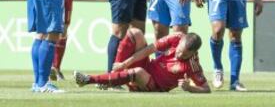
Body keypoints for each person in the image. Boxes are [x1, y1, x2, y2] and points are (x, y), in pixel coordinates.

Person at [74, 28, 211, 93]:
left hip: (154, 86)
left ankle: (88, 80)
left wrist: (190, 88)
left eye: (185, 55)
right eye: (179, 50)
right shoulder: (176, 37)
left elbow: (206, 89)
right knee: (135, 33)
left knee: (138, 72)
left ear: (193, 53)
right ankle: (112, 79)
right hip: (147, 67)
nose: (180, 55)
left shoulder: (193, 64)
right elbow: (150, 49)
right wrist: (124, 64)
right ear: (181, 40)